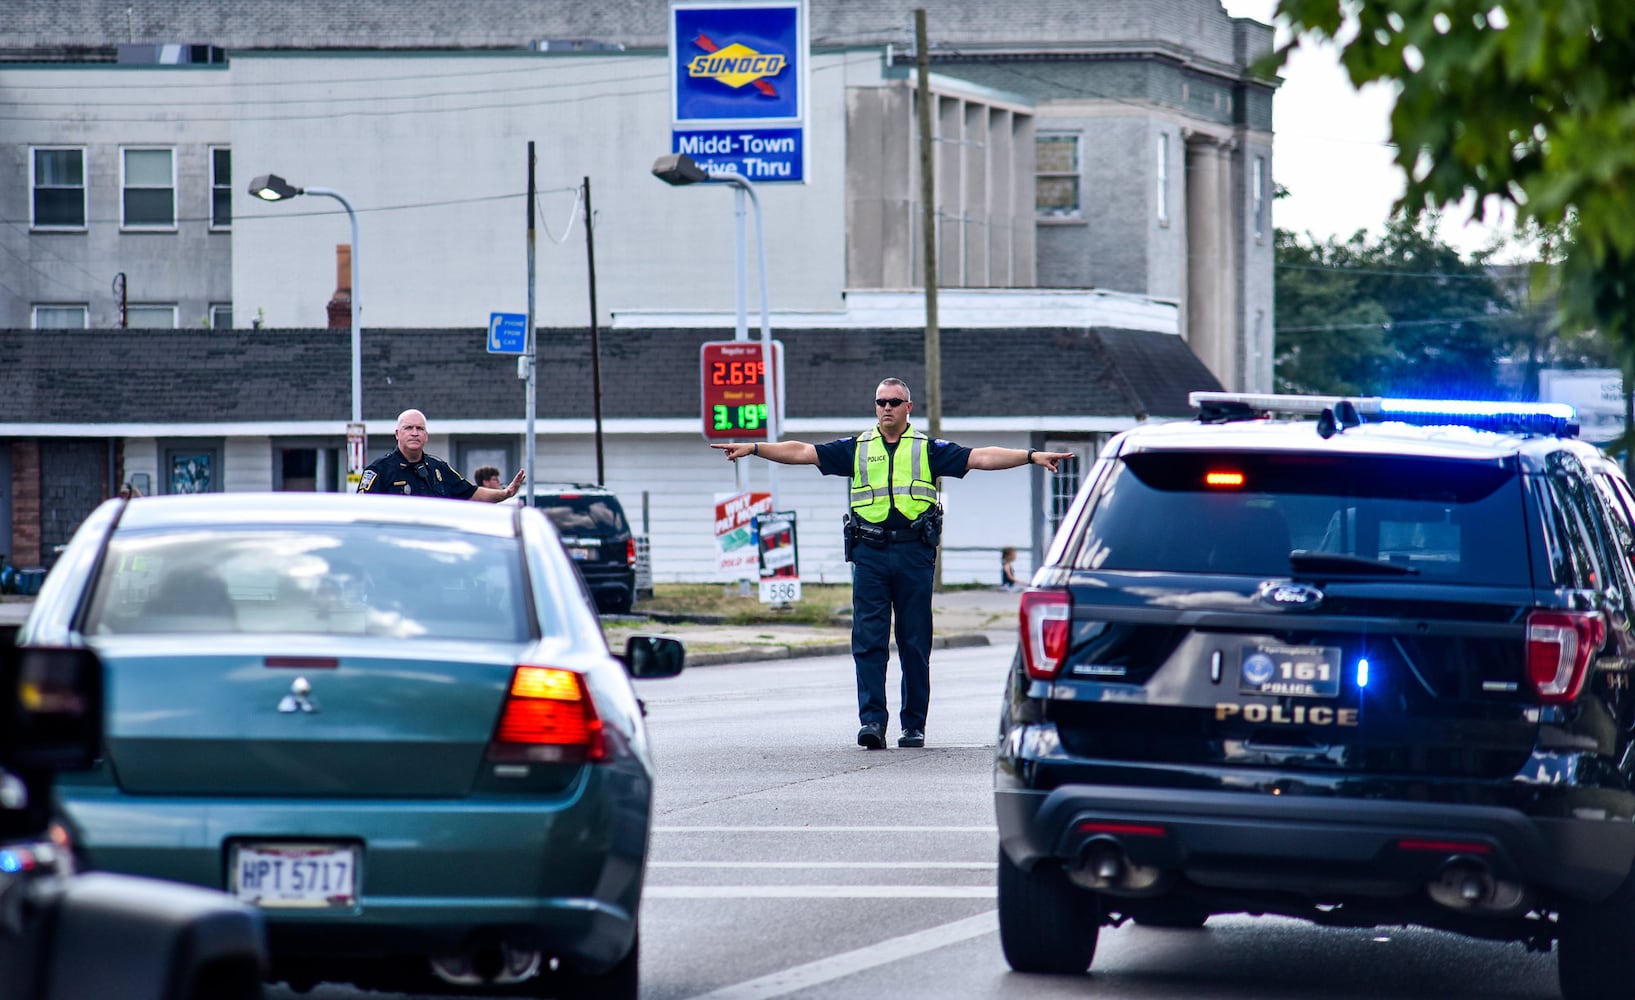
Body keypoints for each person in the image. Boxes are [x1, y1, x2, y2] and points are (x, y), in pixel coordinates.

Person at [711, 377, 1074, 750]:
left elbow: (979, 457)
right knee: (868, 642)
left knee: (914, 643)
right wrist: (754, 448)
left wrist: (1031, 456)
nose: (886, 407)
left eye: (894, 402)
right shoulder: (857, 447)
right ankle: (871, 722)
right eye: (881, 401)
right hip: (868, 553)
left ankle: (913, 726)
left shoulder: (927, 449)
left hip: (914, 553)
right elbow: (803, 452)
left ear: (908, 407)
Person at [358, 409, 524, 501]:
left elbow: (471, 494)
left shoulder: (439, 469)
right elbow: (362, 511)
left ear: (426, 435)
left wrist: (506, 493)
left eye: (420, 428)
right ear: (397, 434)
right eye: (409, 428)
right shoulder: (379, 470)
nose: (415, 433)